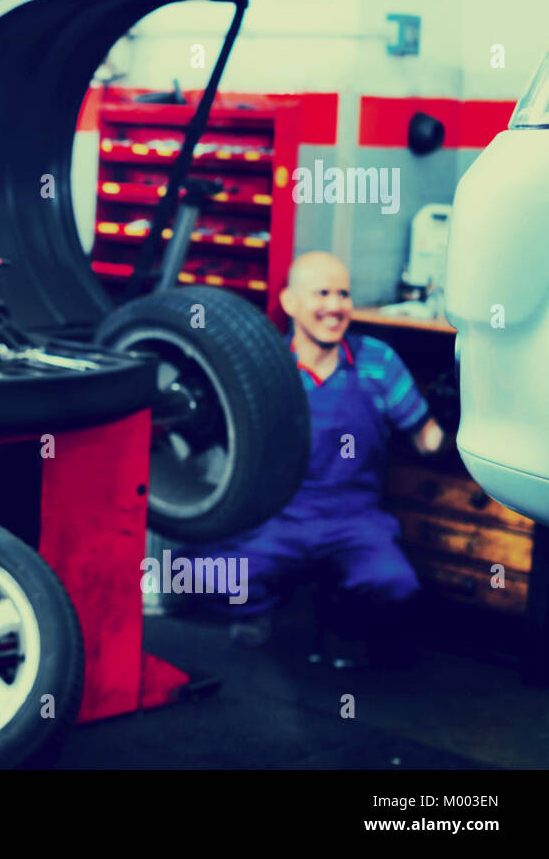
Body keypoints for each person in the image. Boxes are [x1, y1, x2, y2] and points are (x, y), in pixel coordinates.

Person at [181, 251, 448, 667]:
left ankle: (341, 614)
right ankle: (264, 602)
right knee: (193, 575)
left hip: (354, 520)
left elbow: (428, 440)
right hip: (278, 519)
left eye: (343, 294)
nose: (335, 306)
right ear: (289, 302)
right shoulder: (265, 367)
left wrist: (472, 423)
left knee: (395, 588)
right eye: (321, 293)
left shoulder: (378, 361)